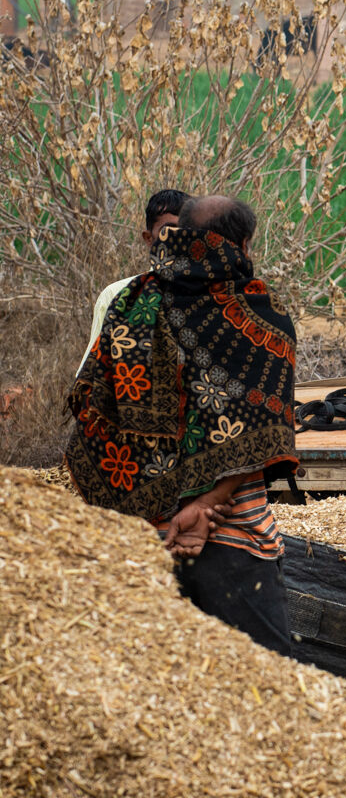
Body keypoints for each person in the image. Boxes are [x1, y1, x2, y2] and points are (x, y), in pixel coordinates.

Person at [66, 194, 298, 656]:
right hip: (231, 537)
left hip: (134, 541)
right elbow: (259, 429)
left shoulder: (132, 301)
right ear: (242, 246)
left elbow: (91, 405)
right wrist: (205, 504)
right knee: (267, 677)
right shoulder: (254, 312)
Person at [77, 189, 192, 378]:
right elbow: (90, 376)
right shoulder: (117, 294)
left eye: (187, 230)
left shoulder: (215, 295)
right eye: (169, 231)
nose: (180, 238)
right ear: (149, 238)